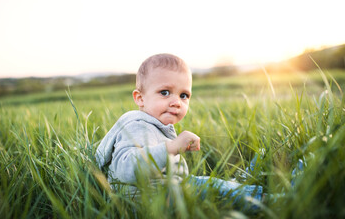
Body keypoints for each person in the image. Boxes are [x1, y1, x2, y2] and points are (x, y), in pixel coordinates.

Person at [95, 53, 263, 207]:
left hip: (169, 190)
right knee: (210, 189)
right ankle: (266, 199)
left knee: (207, 184)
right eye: (165, 92)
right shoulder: (138, 126)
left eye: (184, 95)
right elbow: (127, 170)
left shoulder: (154, 123)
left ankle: (240, 184)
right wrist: (172, 147)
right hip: (152, 201)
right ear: (140, 98)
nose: (177, 102)